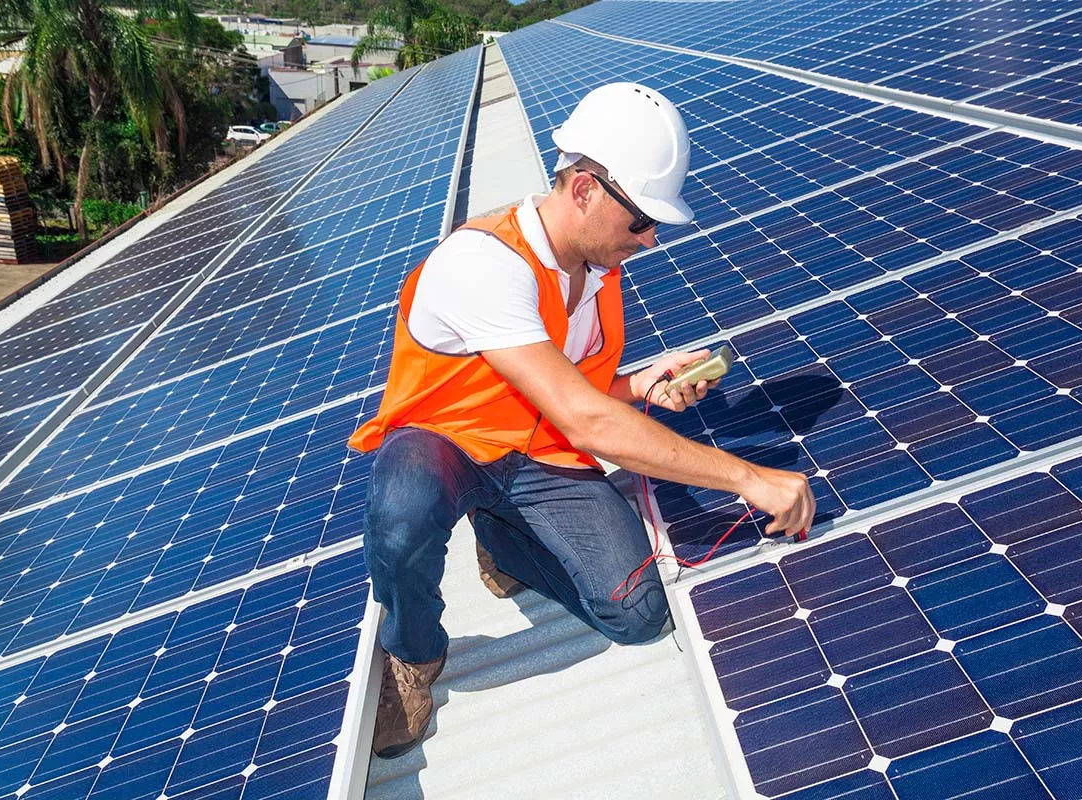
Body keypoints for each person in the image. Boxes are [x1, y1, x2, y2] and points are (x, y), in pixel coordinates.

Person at [349, 82, 816, 759]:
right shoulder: (484, 264)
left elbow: (578, 389)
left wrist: (641, 386)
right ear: (585, 188)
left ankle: (501, 537)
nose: (650, 240)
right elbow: (587, 419)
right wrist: (749, 479)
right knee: (403, 506)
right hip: (444, 447)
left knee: (638, 616)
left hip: (537, 456)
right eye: (640, 222)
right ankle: (414, 654)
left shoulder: (596, 274)